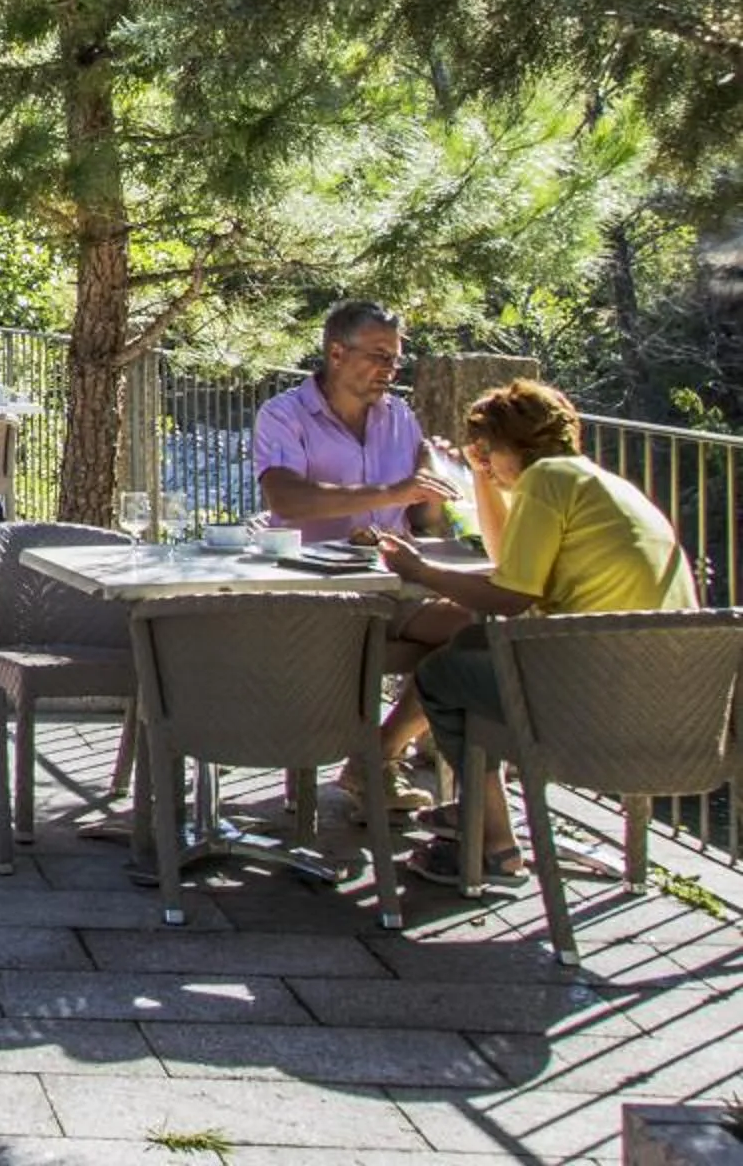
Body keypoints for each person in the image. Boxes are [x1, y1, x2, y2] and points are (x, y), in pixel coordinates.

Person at [377, 378, 698, 889]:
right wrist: (483, 480)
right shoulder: (588, 480)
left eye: (486, 450)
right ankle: (464, 806)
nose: (483, 459)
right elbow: (511, 563)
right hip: (672, 695)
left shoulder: (546, 481)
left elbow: (509, 597)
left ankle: (496, 845)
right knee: (471, 645)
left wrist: (421, 571)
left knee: (442, 675)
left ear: (506, 444)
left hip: (591, 697)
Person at [253, 300, 461, 543]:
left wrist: (430, 481)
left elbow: (421, 521)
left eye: (395, 360)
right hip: (313, 574)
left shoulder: (401, 416)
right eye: (380, 356)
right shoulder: (284, 415)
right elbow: (287, 502)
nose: (390, 370)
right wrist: (391, 494)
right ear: (336, 354)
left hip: (390, 572)